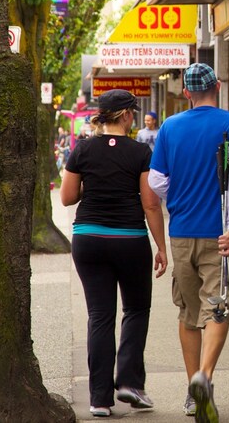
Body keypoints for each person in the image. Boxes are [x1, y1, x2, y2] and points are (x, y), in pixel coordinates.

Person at [147, 63, 229, 423]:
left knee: (189, 313)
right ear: (218, 86)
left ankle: (193, 393)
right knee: (219, 308)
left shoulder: (169, 127)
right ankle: (204, 379)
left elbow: (157, 181)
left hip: (181, 233)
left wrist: (179, 195)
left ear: (187, 93)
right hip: (219, 233)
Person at [60, 89, 168, 418]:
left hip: (88, 240)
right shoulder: (139, 152)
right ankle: (131, 383)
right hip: (130, 240)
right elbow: (150, 203)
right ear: (123, 116)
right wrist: (161, 246)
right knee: (135, 310)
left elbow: (66, 197)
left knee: (100, 316)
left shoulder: (83, 149)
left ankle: (99, 399)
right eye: (132, 113)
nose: (134, 117)